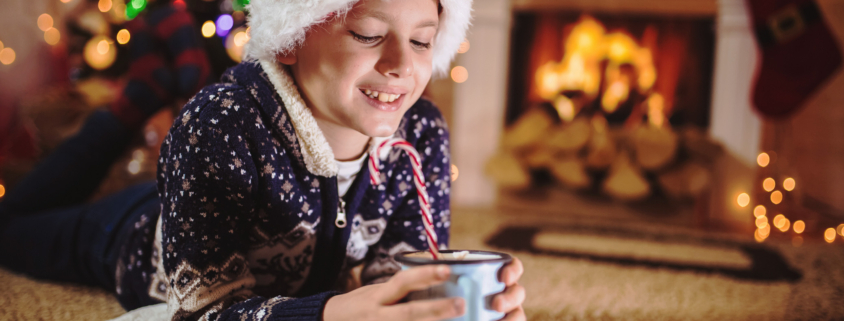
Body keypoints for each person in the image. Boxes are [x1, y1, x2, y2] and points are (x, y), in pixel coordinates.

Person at [1, 0, 526, 320]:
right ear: (292, 38)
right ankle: (121, 114)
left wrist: (450, 306)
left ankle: (141, 95)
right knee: (9, 228)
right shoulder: (218, 123)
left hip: (201, 193)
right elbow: (206, 312)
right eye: (368, 34)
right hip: (131, 234)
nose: (401, 66)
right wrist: (332, 313)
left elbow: (394, 276)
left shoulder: (424, 135)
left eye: (422, 41)